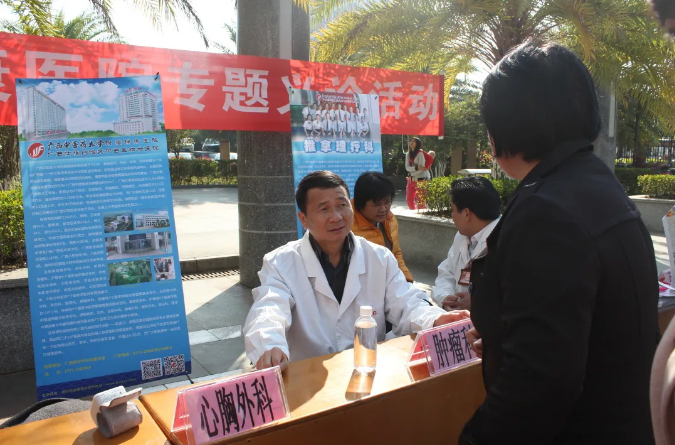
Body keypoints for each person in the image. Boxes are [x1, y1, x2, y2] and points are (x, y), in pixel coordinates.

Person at [459, 40, 659, 445]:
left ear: (503, 127)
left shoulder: (545, 212)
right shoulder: (598, 184)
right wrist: (504, 337)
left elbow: (537, 388)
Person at [243, 171, 469, 370]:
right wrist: (269, 345)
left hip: (367, 371)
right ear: (304, 219)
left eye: (342, 205)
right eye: (324, 209)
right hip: (310, 378)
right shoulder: (280, 263)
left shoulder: (379, 257)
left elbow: (407, 303)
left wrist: (436, 318)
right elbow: (269, 309)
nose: (337, 217)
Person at [431, 177, 500, 311]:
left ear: (466, 213)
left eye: (452, 210)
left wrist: (479, 302)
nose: (452, 217)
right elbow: (447, 272)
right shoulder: (462, 237)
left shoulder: (505, 240)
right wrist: (445, 297)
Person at [351, 172, 413, 282]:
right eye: (376, 204)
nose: (383, 209)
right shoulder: (347, 228)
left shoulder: (390, 220)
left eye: (387, 202)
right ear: (360, 204)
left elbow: (395, 254)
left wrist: (407, 281)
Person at [405, 137, 427, 210]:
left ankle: (421, 214)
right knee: (409, 199)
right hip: (411, 180)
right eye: (410, 141)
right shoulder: (408, 154)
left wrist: (412, 172)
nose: (411, 142)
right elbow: (407, 167)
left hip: (420, 179)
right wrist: (416, 168)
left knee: (421, 200)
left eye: (414, 141)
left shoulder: (420, 154)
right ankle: (413, 212)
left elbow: (422, 168)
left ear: (417, 144)